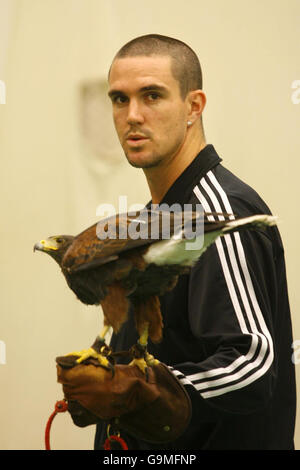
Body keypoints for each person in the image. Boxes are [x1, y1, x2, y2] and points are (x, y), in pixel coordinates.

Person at [61, 34, 297, 450]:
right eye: (119, 99)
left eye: (152, 95)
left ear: (194, 106)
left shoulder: (214, 215)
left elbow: (253, 364)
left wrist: (144, 389)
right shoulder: (154, 219)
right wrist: (116, 386)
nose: (133, 115)